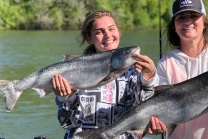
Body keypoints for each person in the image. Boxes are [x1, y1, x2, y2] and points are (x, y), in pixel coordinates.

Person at [52, 10, 158, 139]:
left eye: (111, 29)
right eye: (99, 32)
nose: (108, 35)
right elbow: (66, 123)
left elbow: (142, 117)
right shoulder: (75, 72)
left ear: (118, 32)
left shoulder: (135, 72)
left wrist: (148, 79)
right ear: (88, 38)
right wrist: (64, 98)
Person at [146, 0, 208, 138]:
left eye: (193, 15)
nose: (188, 21)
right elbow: (162, 117)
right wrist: (157, 125)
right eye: (181, 17)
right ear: (174, 25)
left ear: (204, 22)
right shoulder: (165, 64)